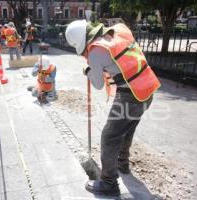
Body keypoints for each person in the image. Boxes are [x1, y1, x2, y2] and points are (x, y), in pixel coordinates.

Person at [65, 20, 161, 196]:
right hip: (147, 90)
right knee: (127, 129)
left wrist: (88, 71)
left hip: (130, 95)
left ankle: (109, 183)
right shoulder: (115, 32)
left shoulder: (95, 50)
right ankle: (122, 163)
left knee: (109, 136)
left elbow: (98, 84)